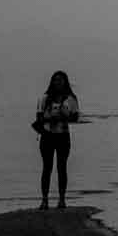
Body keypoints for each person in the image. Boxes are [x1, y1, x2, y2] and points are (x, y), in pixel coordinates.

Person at [34, 70, 80, 209]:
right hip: (47, 135)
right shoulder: (44, 98)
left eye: (61, 80)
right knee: (47, 168)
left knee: (62, 167)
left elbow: (75, 117)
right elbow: (39, 118)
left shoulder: (71, 99)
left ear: (65, 82)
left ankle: (61, 199)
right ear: (52, 82)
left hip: (63, 135)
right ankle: (44, 200)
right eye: (56, 79)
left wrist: (63, 116)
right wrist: (51, 118)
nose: (58, 82)